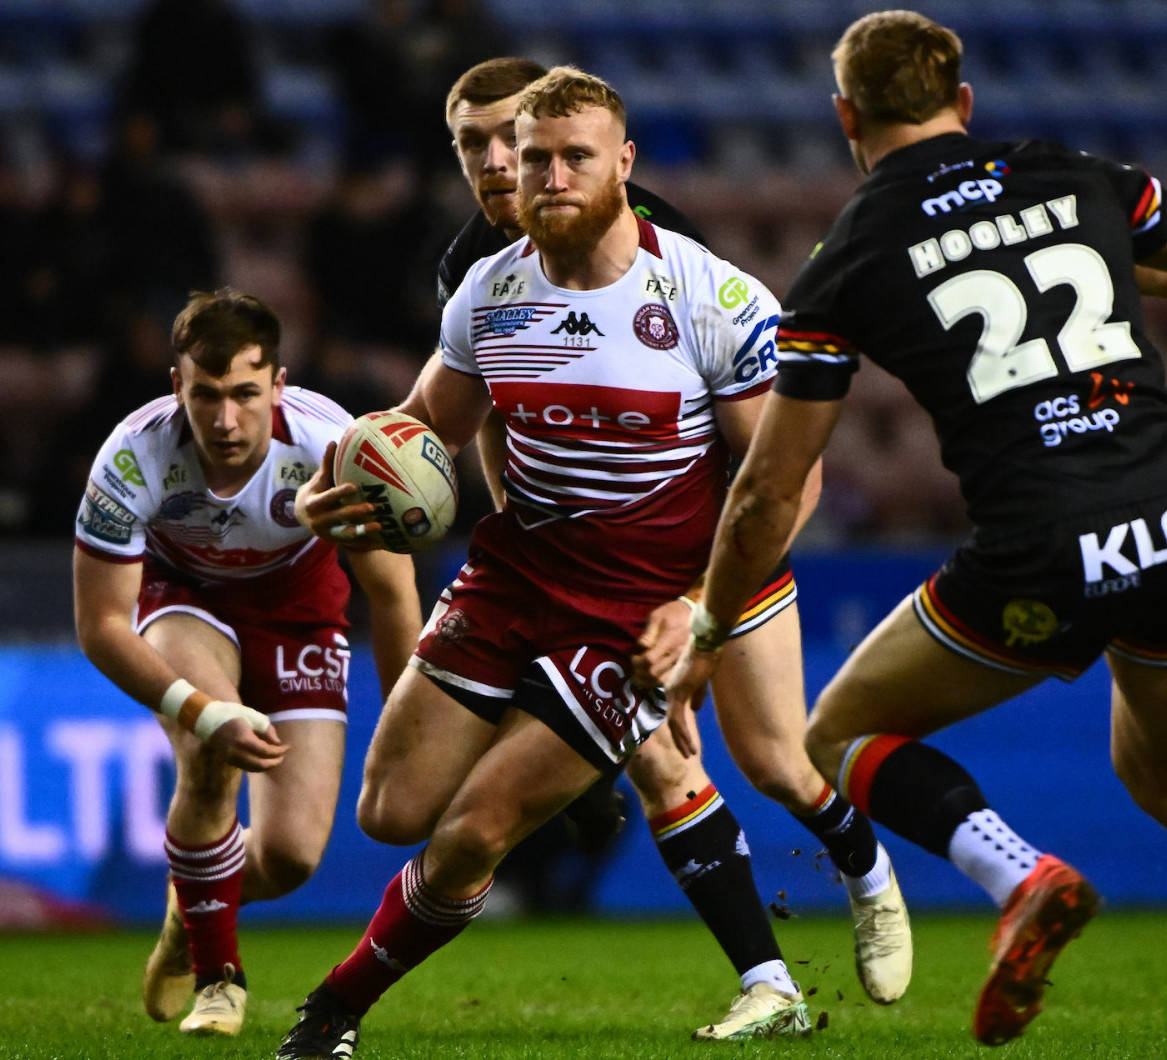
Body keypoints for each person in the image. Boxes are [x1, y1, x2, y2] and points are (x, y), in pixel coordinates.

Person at [658, 11, 1167, 1057]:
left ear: (844, 117)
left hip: (1046, 541)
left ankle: (1020, 875)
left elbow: (766, 490)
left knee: (836, 736)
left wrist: (705, 628)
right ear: (962, 102)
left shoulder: (851, 255)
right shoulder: (1076, 171)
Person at [274, 67, 899, 1058]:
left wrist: (699, 607)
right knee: (391, 812)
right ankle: (571, 747)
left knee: (476, 830)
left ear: (624, 164)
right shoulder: (487, 290)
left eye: (575, 157)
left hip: (634, 606)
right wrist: (332, 490)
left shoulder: (710, 296)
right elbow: (421, 428)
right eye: (534, 160)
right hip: (514, 574)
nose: (550, 175)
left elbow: (791, 483)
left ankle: (331, 1012)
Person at [451, 55, 910, 1034]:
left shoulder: (663, 254)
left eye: (511, 139)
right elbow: (493, 416)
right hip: (590, 568)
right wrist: (536, 549)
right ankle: (771, 985)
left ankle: (864, 866)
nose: (497, 164)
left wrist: (696, 617)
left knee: (777, 762)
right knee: (659, 758)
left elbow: (768, 456)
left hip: (711, 555)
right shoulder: (472, 271)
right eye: (473, 145)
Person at [72, 289, 421, 1037]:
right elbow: (102, 625)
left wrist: (408, 728)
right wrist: (201, 710)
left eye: (244, 395)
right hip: (184, 598)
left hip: (300, 610)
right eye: (205, 395)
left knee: (291, 857)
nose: (225, 421)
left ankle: (191, 905)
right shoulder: (131, 458)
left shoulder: (336, 449)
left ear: (279, 385)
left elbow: (393, 596)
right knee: (207, 752)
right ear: (177, 388)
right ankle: (218, 978)